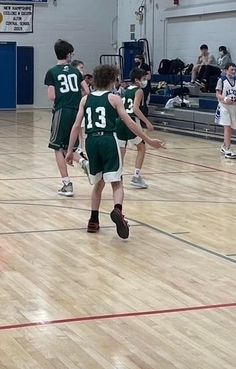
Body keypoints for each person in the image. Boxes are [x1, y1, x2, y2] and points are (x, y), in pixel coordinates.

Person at [67, 64, 164, 239]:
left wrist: (69, 151)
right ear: (112, 81)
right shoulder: (114, 99)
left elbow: (75, 126)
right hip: (108, 140)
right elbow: (130, 123)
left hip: (91, 141)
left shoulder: (85, 99)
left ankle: (93, 220)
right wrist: (148, 140)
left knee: (98, 183)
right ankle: (118, 211)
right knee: (117, 181)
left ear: (95, 80)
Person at [44, 39, 82, 197]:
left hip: (61, 111)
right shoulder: (76, 71)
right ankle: (86, 163)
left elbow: (52, 96)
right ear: (68, 55)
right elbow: (86, 90)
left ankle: (67, 184)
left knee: (57, 147)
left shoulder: (52, 72)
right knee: (71, 147)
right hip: (76, 110)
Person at [116, 68, 153, 188]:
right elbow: (136, 109)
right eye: (143, 79)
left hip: (120, 120)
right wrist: (147, 122)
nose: (145, 81)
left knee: (122, 149)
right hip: (131, 120)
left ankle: (117, 175)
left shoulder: (126, 90)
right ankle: (136, 176)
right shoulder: (139, 91)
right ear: (136, 80)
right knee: (141, 148)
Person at [215, 63, 236, 159]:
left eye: (235, 69)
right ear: (226, 70)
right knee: (227, 126)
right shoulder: (221, 80)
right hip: (224, 106)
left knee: (231, 128)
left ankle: (224, 145)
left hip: (234, 106)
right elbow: (217, 94)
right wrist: (225, 99)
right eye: (232, 69)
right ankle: (227, 148)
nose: (234, 71)